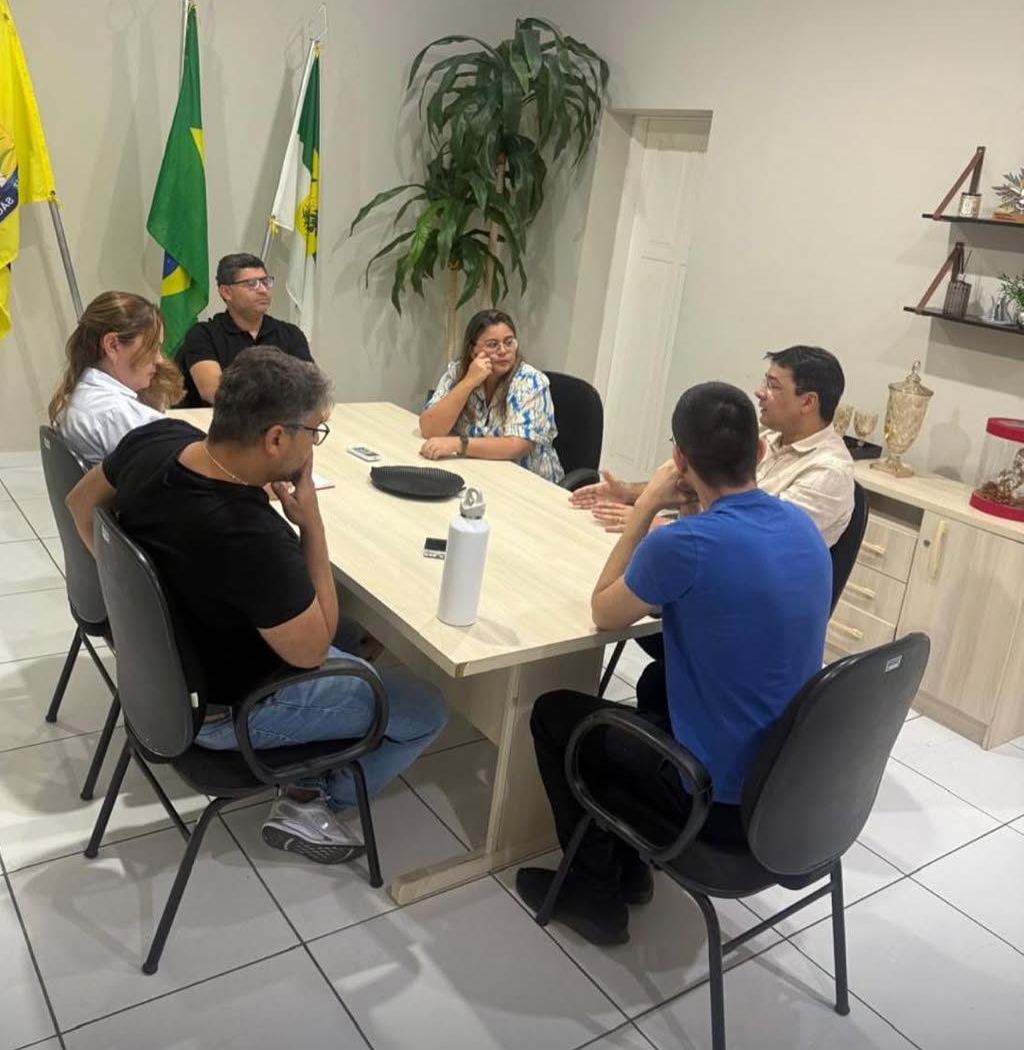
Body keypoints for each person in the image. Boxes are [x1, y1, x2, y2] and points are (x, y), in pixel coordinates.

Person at [66, 347, 447, 864]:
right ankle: (311, 803)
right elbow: (312, 650)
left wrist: (139, 597)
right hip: (228, 713)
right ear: (276, 438)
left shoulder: (156, 439)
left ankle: (310, 766)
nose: (314, 444)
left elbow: (80, 503)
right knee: (426, 708)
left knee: (353, 635)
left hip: (162, 678)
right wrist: (311, 522)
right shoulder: (248, 535)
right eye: (314, 432)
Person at [516, 382, 830, 946]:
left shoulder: (683, 545)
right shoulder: (801, 527)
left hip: (719, 805)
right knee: (658, 679)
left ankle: (595, 892)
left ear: (679, 460)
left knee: (556, 714)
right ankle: (632, 863)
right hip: (791, 788)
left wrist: (645, 508)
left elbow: (604, 611)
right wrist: (690, 509)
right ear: (760, 451)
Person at [573, 345, 854, 546]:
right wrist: (629, 493)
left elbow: (757, 540)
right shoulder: (767, 436)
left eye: (773, 386)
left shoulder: (829, 472)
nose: (759, 392)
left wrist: (659, 525)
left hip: (750, 587)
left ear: (808, 402)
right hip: (706, 549)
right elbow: (696, 479)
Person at [419, 309, 563, 483]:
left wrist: (459, 444)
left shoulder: (530, 381)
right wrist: (468, 383)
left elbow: (517, 445)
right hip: (479, 473)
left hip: (529, 484)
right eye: (492, 344)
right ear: (473, 351)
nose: (503, 351)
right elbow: (429, 429)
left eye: (509, 342)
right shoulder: (458, 372)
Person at [48, 291, 183, 467]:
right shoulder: (115, 414)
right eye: (152, 348)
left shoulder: (84, 391)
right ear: (112, 345)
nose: (159, 359)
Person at [179, 253, 314, 406]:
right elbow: (214, 392)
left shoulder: (290, 334)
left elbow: (312, 389)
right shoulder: (203, 335)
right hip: (217, 419)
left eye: (266, 282)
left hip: (280, 418)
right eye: (251, 284)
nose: (263, 290)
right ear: (226, 292)